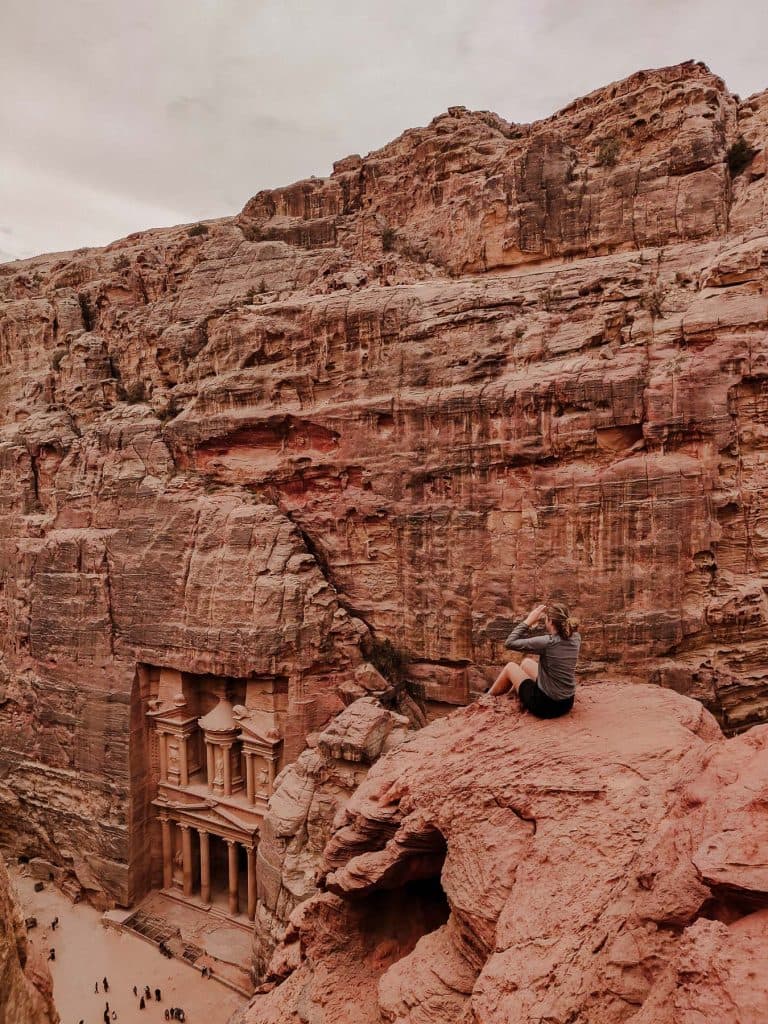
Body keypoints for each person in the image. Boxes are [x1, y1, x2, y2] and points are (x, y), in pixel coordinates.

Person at [490, 602, 580, 719]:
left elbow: (509, 643)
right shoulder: (576, 637)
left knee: (510, 667)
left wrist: (528, 621)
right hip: (567, 702)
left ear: (550, 621)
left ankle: (486, 699)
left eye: (546, 619)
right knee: (526, 663)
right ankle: (513, 695)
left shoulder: (547, 642)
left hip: (546, 705)